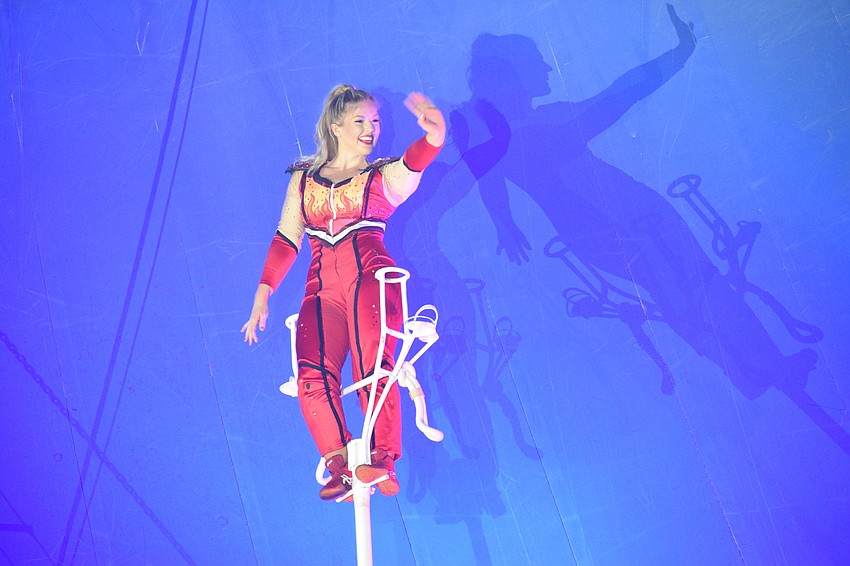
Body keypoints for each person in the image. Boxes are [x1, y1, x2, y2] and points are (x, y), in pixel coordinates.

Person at [241, 85, 445, 500]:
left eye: (376, 121)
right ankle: (340, 466)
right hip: (321, 292)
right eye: (360, 121)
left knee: (373, 366)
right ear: (336, 127)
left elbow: (415, 160)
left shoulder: (382, 177)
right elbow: (286, 239)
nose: (371, 129)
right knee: (311, 374)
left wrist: (435, 136)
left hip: (371, 280)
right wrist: (264, 292)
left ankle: (382, 460)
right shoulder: (303, 181)